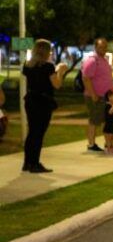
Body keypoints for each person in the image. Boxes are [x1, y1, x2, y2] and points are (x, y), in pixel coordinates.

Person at [22, 39, 67, 173]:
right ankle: (35, 164)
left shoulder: (27, 66)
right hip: (43, 102)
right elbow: (57, 84)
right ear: (46, 51)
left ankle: (27, 162)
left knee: (32, 132)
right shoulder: (48, 67)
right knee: (39, 133)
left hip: (30, 100)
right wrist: (60, 71)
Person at [81, 37, 113, 152]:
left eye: (105, 47)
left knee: (105, 120)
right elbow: (86, 78)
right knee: (94, 120)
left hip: (105, 96)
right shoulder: (92, 61)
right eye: (101, 47)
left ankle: (108, 143)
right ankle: (91, 144)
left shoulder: (103, 60)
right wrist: (93, 94)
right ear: (95, 47)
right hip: (95, 96)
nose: (103, 49)